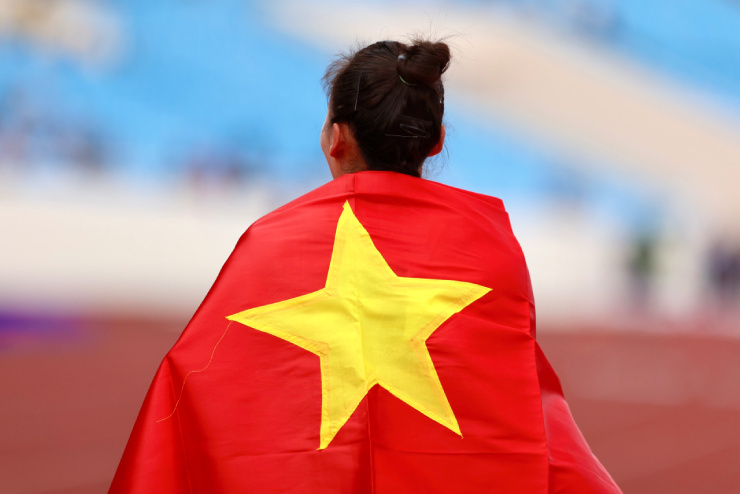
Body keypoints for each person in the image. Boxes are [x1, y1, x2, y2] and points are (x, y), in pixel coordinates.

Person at [109, 38, 621, 493]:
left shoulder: (268, 242)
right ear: (436, 141)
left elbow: (195, 391)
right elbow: (515, 398)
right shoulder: (489, 245)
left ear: (336, 137)